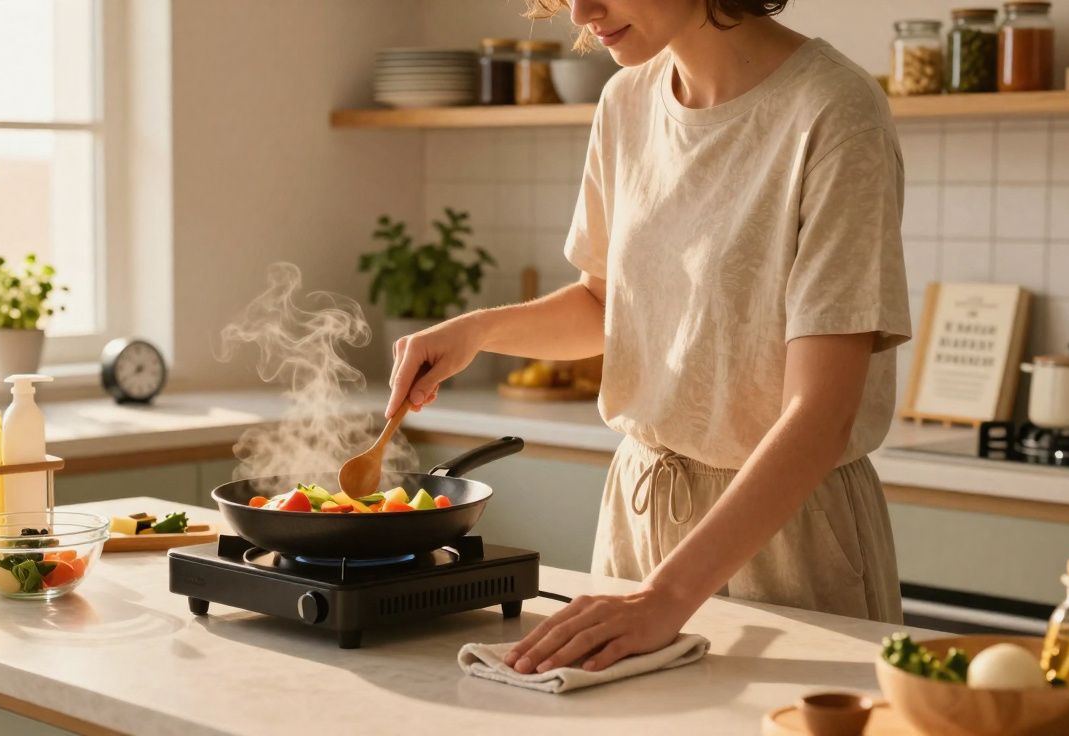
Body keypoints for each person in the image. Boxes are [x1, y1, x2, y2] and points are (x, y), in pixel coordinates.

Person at [385, 0, 911, 675]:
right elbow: (609, 301)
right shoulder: (626, 99)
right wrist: (479, 331)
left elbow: (821, 414)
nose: (581, 10)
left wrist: (665, 597)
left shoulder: (833, 109)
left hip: (786, 536)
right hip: (640, 521)